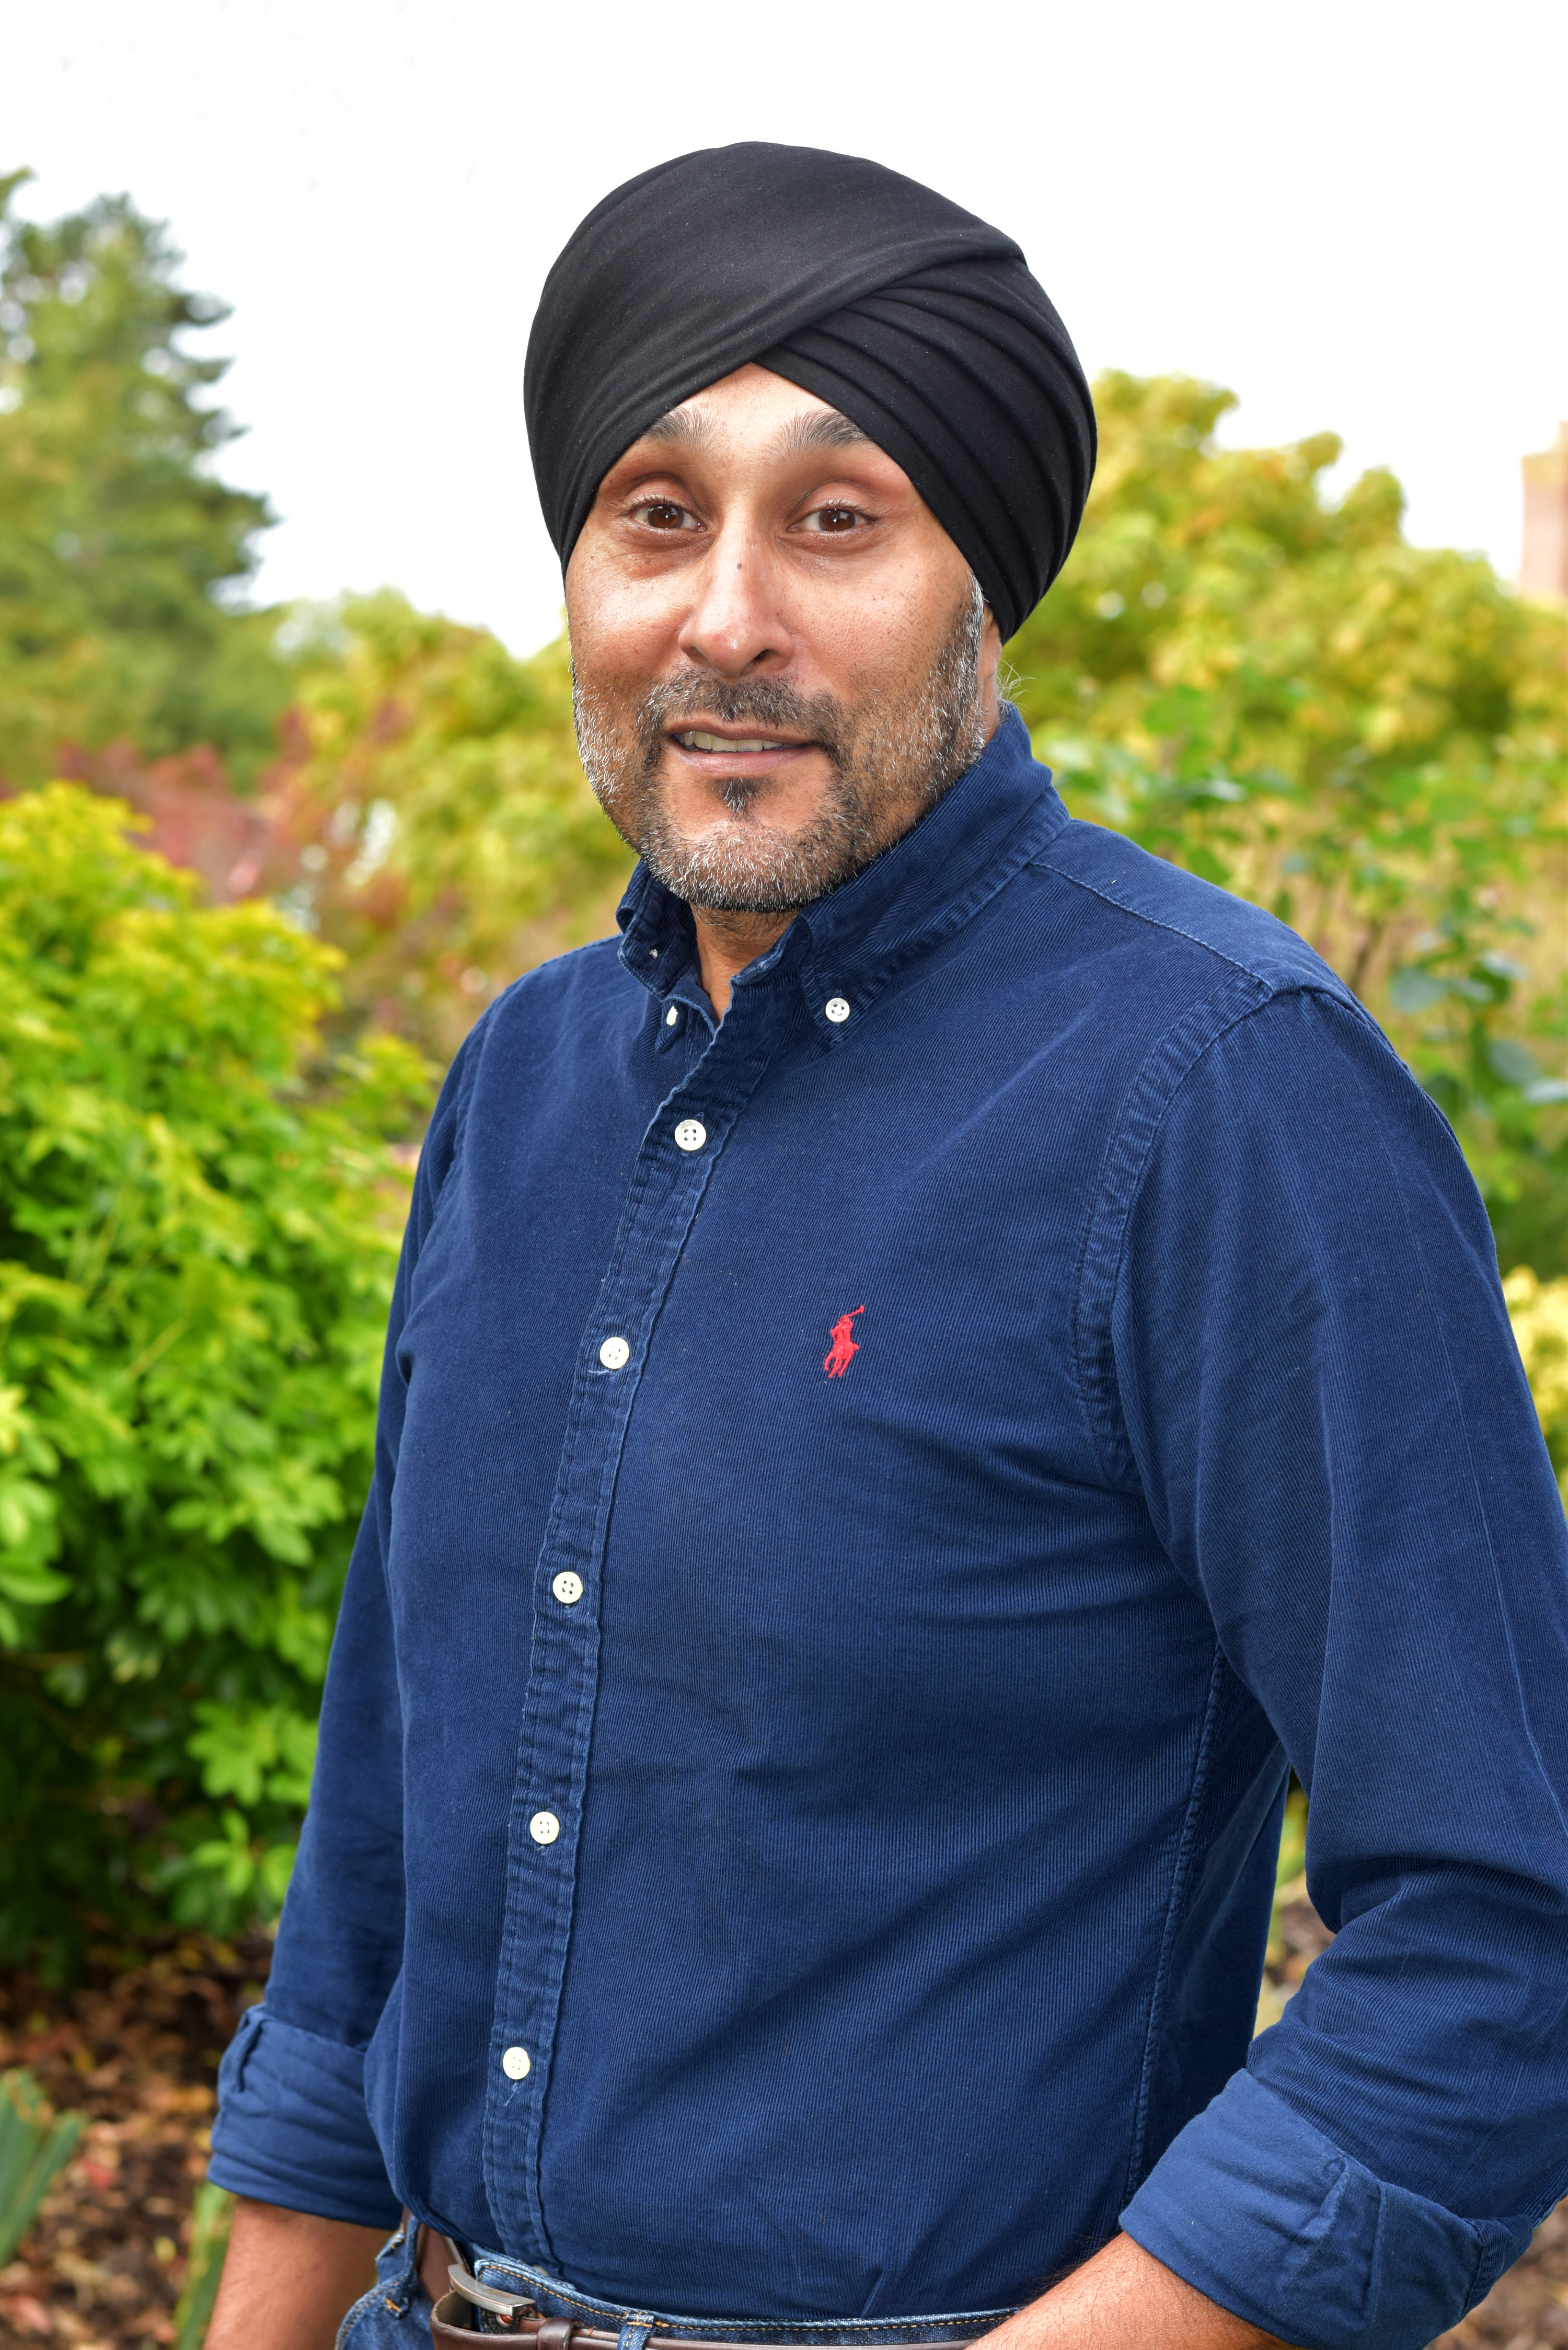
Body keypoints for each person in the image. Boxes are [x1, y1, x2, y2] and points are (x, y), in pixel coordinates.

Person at [204, 145, 1568, 2350]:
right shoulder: (526, 1080)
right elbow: (382, 1828)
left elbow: (1508, 1933)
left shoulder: (1225, 1092)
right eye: (656, 512)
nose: (724, 612)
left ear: (979, 581)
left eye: (836, 520)